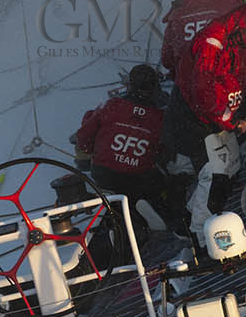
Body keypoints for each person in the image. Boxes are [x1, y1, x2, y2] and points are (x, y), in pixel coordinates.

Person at [162, 3, 246, 234]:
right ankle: (200, 233)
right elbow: (202, 88)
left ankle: (190, 219)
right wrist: (229, 120)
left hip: (217, 116)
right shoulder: (212, 41)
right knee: (215, 172)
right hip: (195, 117)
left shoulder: (240, 42)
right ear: (238, 27)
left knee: (229, 168)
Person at [72, 65, 177, 231]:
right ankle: (155, 211)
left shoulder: (112, 105)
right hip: (137, 179)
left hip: (103, 174)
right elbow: (165, 152)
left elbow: (83, 135)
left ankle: (123, 212)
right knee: (164, 181)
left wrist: (90, 154)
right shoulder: (160, 117)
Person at [159, 0, 241, 82]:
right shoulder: (229, 4)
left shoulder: (177, 14)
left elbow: (167, 60)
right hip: (224, 81)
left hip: (188, 84)